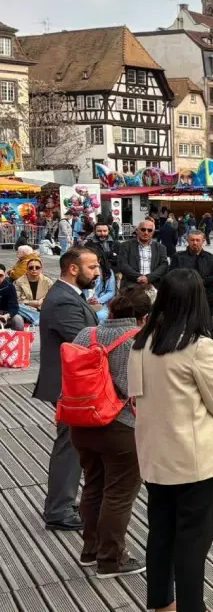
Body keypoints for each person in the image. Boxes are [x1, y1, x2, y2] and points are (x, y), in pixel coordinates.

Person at [127, 269, 213, 612]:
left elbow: (136, 397)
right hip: (194, 455)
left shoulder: (142, 342)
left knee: (161, 529)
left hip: (154, 452)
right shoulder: (197, 344)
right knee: (194, 535)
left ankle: (163, 604)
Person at [68, 285, 150, 579]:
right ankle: (111, 559)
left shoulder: (84, 334)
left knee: (92, 486)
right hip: (119, 426)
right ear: (142, 317)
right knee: (118, 494)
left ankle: (90, 551)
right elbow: (134, 390)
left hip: (81, 423)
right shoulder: (136, 342)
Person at [33, 247, 101, 531]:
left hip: (70, 384)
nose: (97, 272)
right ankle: (59, 509)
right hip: (68, 385)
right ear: (73, 269)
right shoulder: (63, 300)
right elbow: (85, 341)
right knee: (69, 446)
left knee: (73, 445)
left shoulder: (67, 296)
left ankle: (64, 503)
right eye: (92, 267)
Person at [170, 231, 213, 333]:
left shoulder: (211, 257)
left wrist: (202, 282)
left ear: (203, 242)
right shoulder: (178, 257)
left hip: (206, 297)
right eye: (192, 240)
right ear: (188, 241)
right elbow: (172, 274)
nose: (195, 243)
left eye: (198, 240)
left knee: (207, 328)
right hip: (185, 297)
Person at [116, 219, 169, 291]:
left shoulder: (160, 247)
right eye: (143, 229)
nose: (146, 233)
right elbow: (122, 264)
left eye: (149, 230)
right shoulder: (125, 245)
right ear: (137, 230)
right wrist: (140, 278)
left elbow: (164, 265)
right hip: (131, 286)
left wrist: (149, 278)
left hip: (153, 286)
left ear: (153, 232)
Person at [16, 256, 54, 325]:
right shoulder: (19, 281)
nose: (34, 269)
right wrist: (35, 303)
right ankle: (37, 318)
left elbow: (52, 298)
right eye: (31, 268)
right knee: (16, 306)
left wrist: (38, 306)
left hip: (43, 308)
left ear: (41, 269)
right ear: (27, 269)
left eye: (37, 267)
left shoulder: (48, 281)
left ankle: (35, 317)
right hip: (26, 308)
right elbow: (17, 300)